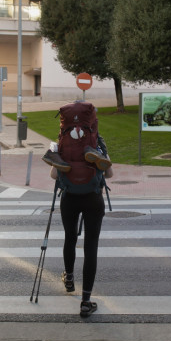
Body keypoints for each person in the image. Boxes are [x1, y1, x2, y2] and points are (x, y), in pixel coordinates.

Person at [47, 136, 112, 318]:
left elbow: (53, 175)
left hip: (69, 199)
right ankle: (85, 301)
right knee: (91, 247)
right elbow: (110, 174)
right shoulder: (97, 143)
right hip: (93, 197)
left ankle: (69, 278)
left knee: (70, 238)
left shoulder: (63, 146)